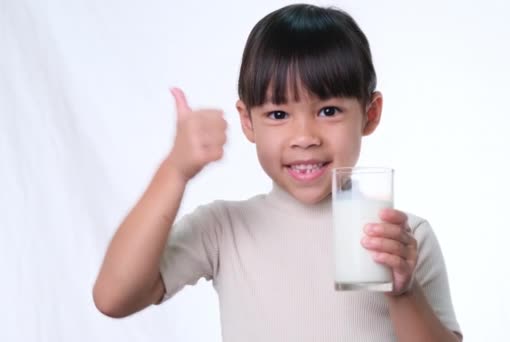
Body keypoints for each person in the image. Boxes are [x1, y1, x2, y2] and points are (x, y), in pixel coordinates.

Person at [93, 4, 462, 341]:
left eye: (329, 111)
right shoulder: (223, 229)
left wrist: (404, 290)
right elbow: (113, 297)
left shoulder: (403, 240)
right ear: (247, 121)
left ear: (370, 113)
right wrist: (175, 170)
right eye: (278, 114)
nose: (304, 137)